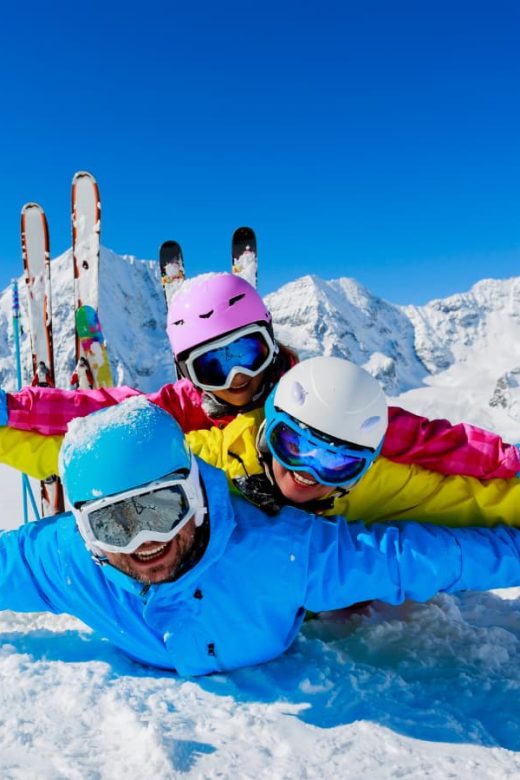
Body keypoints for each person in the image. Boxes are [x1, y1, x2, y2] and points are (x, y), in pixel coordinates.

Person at [1, 396, 519, 677]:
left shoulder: (286, 552)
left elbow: (420, 558)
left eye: (162, 508)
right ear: (86, 534)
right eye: (113, 525)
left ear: (194, 493)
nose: (143, 541)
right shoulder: (68, 563)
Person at [1, 273, 520, 479]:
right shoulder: (187, 404)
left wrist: (508, 463)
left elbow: (421, 437)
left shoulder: (311, 393)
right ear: (188, 373)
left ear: (272, 339)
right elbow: (110, 410)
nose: (239, 378)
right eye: (213, 367)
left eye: (248, 351)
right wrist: (15, 410)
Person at [2, 357, 520, 529]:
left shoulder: (378, 484)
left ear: (363, 466)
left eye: (337, 463)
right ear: (268, 432)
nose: (309, 474)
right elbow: (102, 450)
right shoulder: (213, 457)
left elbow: (479, 496)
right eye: (296, 447)